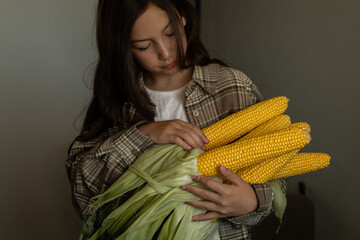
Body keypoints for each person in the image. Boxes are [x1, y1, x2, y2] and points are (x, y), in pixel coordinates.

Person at [65, 0, 286, 239]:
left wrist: (252, 201)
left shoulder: (230, 87)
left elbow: (277, 175)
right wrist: (145, 134)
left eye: (170, 33)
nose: (165, 52)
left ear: (182, 17)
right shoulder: (118, 101)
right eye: (143, 46)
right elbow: (84, 190)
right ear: (123, 47)